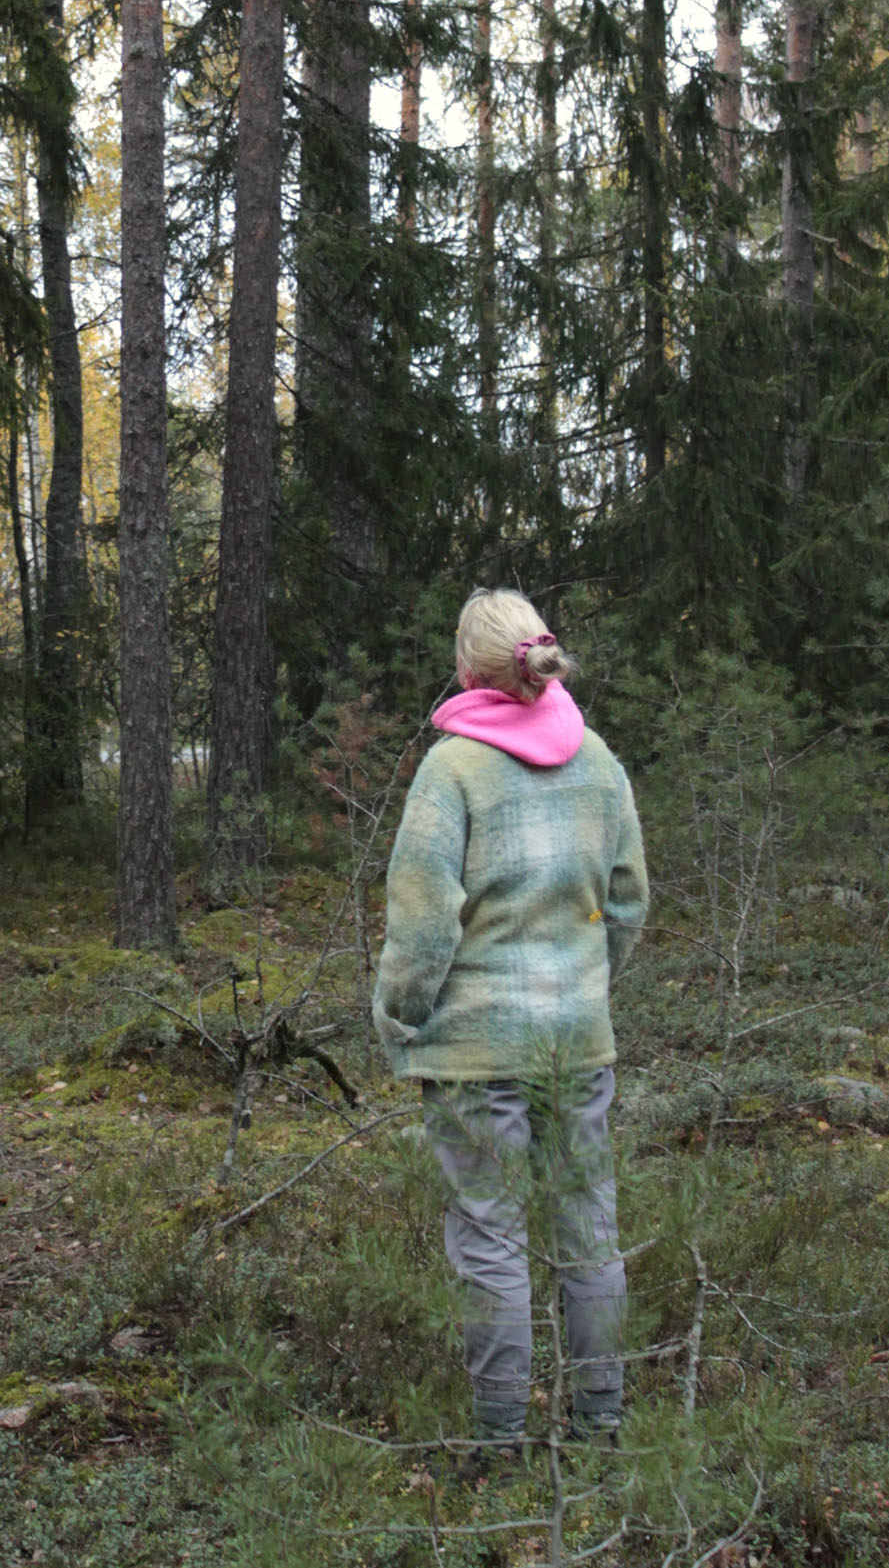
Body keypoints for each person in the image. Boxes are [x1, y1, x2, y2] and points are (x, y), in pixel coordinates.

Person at [373, 588, 649, 1450]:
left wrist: (399, 1020)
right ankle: (599, 1427)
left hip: (473, 1052)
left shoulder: (450, 771)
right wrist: (585, 985)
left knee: (489, 1234)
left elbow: (420, 925)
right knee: (588, 1227)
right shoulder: (598, 761)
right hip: (578, 1041)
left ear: (467, 668)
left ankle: (497, 1445)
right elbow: (629, 901)